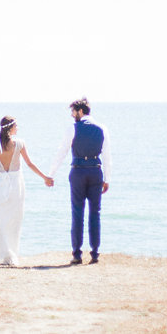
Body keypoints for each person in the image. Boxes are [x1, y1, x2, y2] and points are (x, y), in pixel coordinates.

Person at [49, 97, 112, 265]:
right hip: (95, 171)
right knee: (95, 213)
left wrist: (51, 173)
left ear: (80, 111)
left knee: (77, 212)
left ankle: (77, 254)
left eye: (73, 112)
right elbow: (106, 156)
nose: (72, 115)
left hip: (78, 172)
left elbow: (61, 152)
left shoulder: (73, 128)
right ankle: (95, 253)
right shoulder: (102, 128)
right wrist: (107, 178)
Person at [0, 116, 54, 265]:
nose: (18, 128)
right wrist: (44, 177)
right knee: (14, 219)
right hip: (16, 184)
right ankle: (9, 252)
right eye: (16, 125)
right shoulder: (20, 144)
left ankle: (5, 253)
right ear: (11, 128)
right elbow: (29, 164)